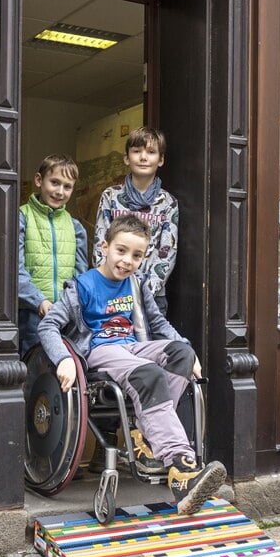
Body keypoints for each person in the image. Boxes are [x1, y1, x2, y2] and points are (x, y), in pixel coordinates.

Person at [39, 213, 226, 516]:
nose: (127, 260)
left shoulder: (137, 286)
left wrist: (191, 354)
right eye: (121, 251)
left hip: (133, 348)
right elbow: (48, 327)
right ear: (104, 246)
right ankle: (181, 467)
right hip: (100, 352)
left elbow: (158, 323)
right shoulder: (82, 286)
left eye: (137, 255)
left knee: (180, 353)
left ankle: (146, 435)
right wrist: (63, 359)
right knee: (148, 373)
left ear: (144, 257)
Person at [93, 126, 178, 316]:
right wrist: (111, 284)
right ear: (126, 158)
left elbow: (167, 252)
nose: (143, 157)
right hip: (112, 291)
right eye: (136, 151)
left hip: (152, 296)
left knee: (151, 346)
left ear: (161, 159)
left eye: (151, 152)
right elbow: (100, 244)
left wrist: (145, 291)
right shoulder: (111, 196)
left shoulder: (168, 203)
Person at [18, 153, 88, 357]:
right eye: (54, 182)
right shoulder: (22, 218)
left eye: (67, 186)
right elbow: (14, 269)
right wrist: (38, 300)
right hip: (32, 314)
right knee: (34, 369)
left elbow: (81, 275)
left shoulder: (76, 228)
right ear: (39, 180)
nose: (60, 191)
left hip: (66, 316)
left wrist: (70, 305)